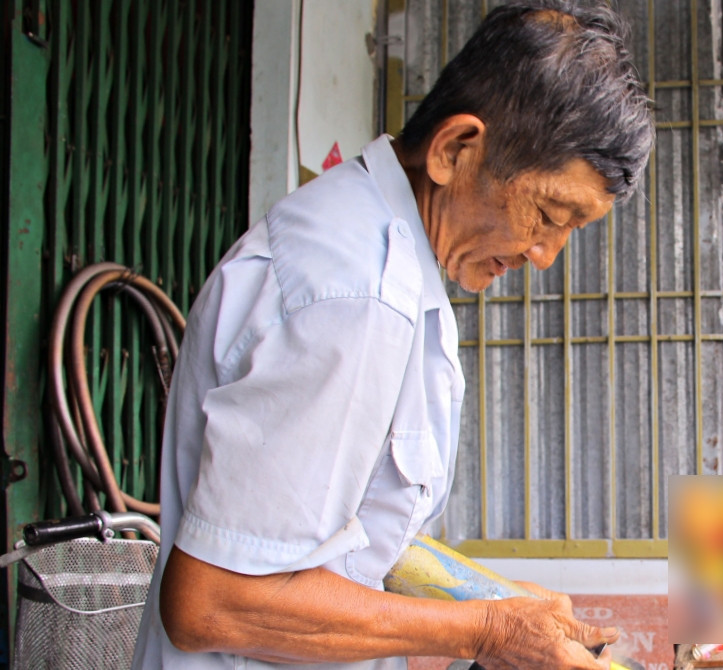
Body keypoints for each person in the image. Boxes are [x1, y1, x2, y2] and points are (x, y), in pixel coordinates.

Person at [131, 1, 653, 668]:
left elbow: (344, 529)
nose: (545, 254)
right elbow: (214, 601)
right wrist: (487, 632)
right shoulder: (357, 291)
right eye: (548, 214)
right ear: (455, 150)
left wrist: (485, 597)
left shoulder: (378, 247)